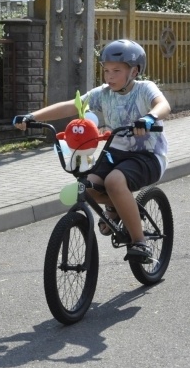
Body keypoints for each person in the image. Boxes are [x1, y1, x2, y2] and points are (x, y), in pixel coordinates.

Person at [13, 39, 170, 262]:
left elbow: (163, 105)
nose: (110, 76)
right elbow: (71, 106)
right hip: (114, 153)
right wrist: (32, 117)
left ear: (134, 71)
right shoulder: (102, 93)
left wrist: (149, 117)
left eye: (117, 71)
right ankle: (116, 208)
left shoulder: (145, 89)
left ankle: (140, 242)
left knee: (114, 182)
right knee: (85, 186)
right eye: (106, 70)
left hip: (148, 155)